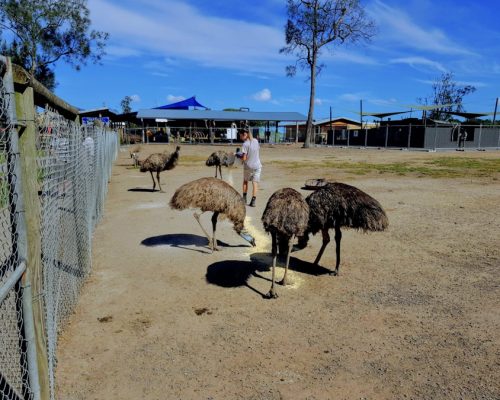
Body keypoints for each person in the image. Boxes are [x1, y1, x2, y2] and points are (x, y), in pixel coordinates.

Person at [238, 128, 262, 207]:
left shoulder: (245, 144)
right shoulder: (256, 141)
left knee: (245, 181)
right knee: (255, 183)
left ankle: (244, 199)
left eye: (240, 136)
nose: (240, 138)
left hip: (248, 166)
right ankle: (253, 201)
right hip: (257, 165)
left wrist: (238, 156)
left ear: (245, 134)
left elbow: (244, 158)